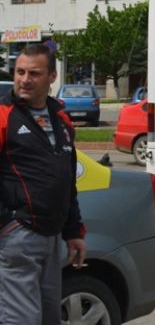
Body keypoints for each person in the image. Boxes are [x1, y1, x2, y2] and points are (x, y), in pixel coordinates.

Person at [0, 44, 87, 324]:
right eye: (20, 72)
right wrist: (7, 224)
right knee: (21, 319)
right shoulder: (3, 116)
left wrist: (74, 231)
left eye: (34, 73)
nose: (25, 79)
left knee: (50, 317)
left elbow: (66, 179)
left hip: (52, 236)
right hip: (17, 236)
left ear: (52, 76)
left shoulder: (61, 119)